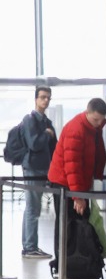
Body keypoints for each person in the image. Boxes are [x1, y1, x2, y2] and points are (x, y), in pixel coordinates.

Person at [47, 98, 106, 219]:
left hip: (77, 182)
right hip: (64, 182)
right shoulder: (75, 130)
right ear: (87, 112)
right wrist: (77, 196)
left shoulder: (93, 128)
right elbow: (72, 166)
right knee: (68, 224)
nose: (99, 123)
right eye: (96, 119)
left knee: (79, 224)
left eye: (102, 120)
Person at [19, 86, 57, 258]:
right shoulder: (30, 120)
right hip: (33, 168)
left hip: (43, 169)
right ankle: (29, 247)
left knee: (33, 208)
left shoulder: (45, 121)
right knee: (33, 209)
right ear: (36, 99)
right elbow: (34, 143)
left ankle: (29, 245)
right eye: (42, 97)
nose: (46, 100)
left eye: (48, 97)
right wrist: (47, 134)